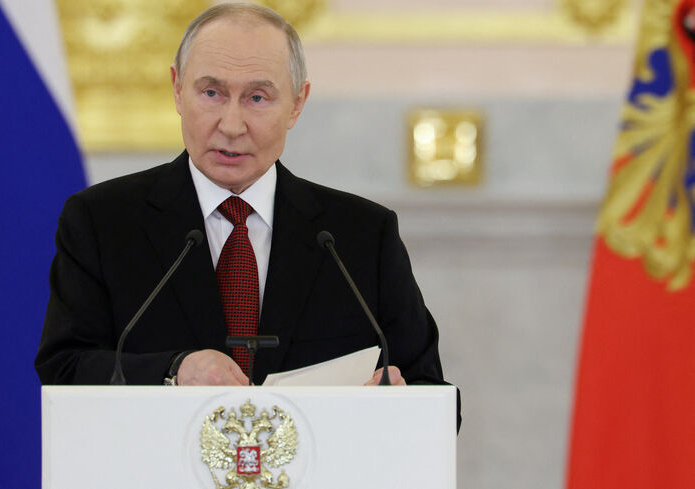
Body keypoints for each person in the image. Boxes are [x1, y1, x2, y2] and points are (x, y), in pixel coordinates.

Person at [36, 3, 450, 394]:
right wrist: (174, 370)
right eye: (212, 93)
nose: (231, 125)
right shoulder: (102, 222)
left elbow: (432, 391)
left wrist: (402, 400)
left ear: (296, 104)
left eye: (257, 98)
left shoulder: (359, 236)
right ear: (178, 89)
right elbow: (65, 370)